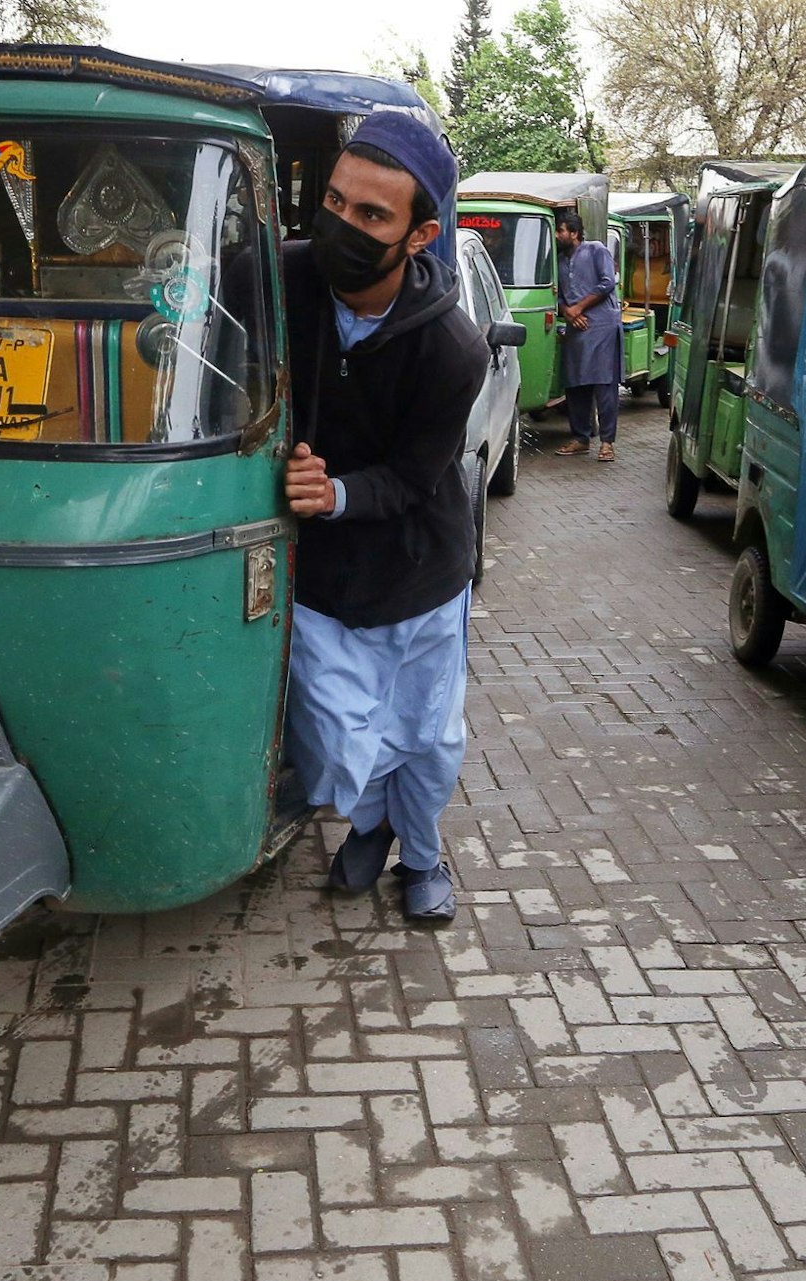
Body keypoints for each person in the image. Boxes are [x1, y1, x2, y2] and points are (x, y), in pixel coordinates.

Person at [280, 112, 487, 924]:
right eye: (335, 202)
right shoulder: (278, 281)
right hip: (324, 575)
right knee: (337, 733)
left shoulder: (453, 350)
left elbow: (409, 479)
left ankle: (422, 854)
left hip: (420, 569)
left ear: (420, 234)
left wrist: (333, 494)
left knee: (428, 737)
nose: (343, 226)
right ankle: (368, 822)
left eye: (371, 216)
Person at [552, 208, 622, 462]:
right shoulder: (559, 261)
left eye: (561, 231)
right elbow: (556, 293)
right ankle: (581, 438)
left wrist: (578, 308)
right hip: (575, 329)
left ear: (575, 233)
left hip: (602, 327)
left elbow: (606, 283)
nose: (557, 235)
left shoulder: (595, 250)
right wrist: (568, 313)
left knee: (604, 385)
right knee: (575, 384)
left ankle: (606, 443)